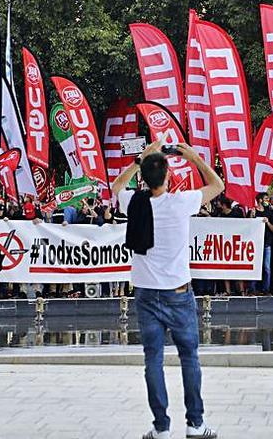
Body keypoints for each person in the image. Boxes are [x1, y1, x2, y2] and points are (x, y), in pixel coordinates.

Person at [111, 140, 223, 439]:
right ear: (169, 175)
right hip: (177, 292)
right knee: (189, 356)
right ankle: (195, 424)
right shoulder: (180, 202)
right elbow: (217, 185)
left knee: (153, 360)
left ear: (144, 177)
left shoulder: (134, 201)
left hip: (146, 293)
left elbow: (115, 185)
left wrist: (140, 159)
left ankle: (161, 427)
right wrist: (195, 158)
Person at [248, 193, 273, 295]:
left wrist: (268, 222)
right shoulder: (253, 211)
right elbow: (247, 226)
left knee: (266, 268)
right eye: (266, 198)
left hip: (266, 244)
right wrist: (251, 216)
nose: (267, 200)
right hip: (254, 245)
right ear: (260, 200)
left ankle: (266, 289)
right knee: (254, 267)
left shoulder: (269, 212)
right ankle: (252, 289)